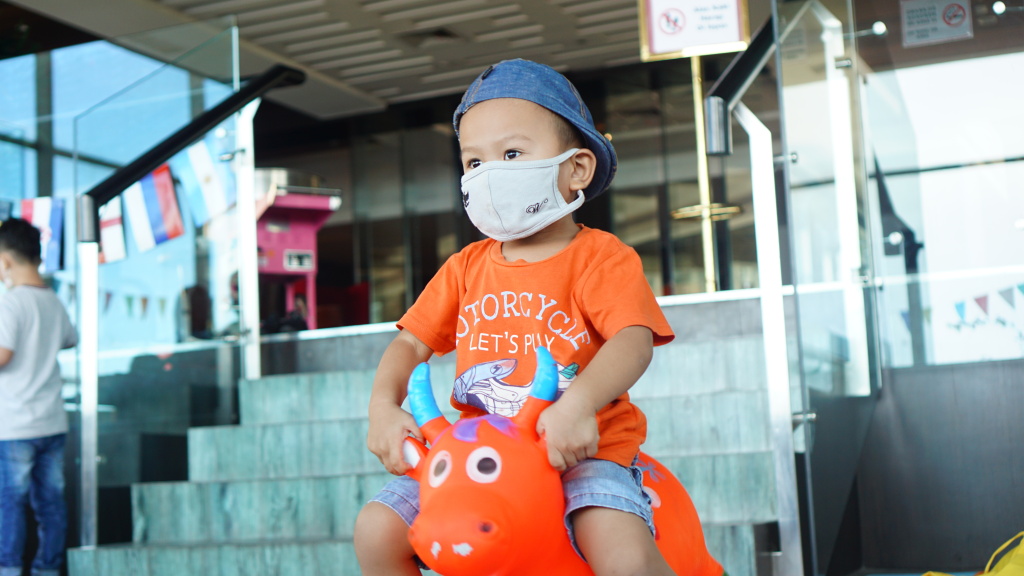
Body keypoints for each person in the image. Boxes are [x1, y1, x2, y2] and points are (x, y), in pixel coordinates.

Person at [354, 59, 678, 575]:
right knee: (377, 530)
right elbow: (410, 343)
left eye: (511, 154)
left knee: (620, 549)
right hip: (473, 458)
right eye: (474, 162)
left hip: (577, 453)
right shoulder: (465, 267)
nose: (490, 174)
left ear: (576, 168)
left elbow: (632, 339)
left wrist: (580, 405)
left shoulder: (601, 258)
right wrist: (381, 407)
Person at [0, 218, 78, 576]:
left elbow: (3, 355)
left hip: (15, 424)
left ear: (5, 260)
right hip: (52, 421)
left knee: (10, 502)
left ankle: (8, 569)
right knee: (50, 503)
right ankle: (48, 567)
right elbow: (70, 340)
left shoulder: (12, 303)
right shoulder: (53, 302)